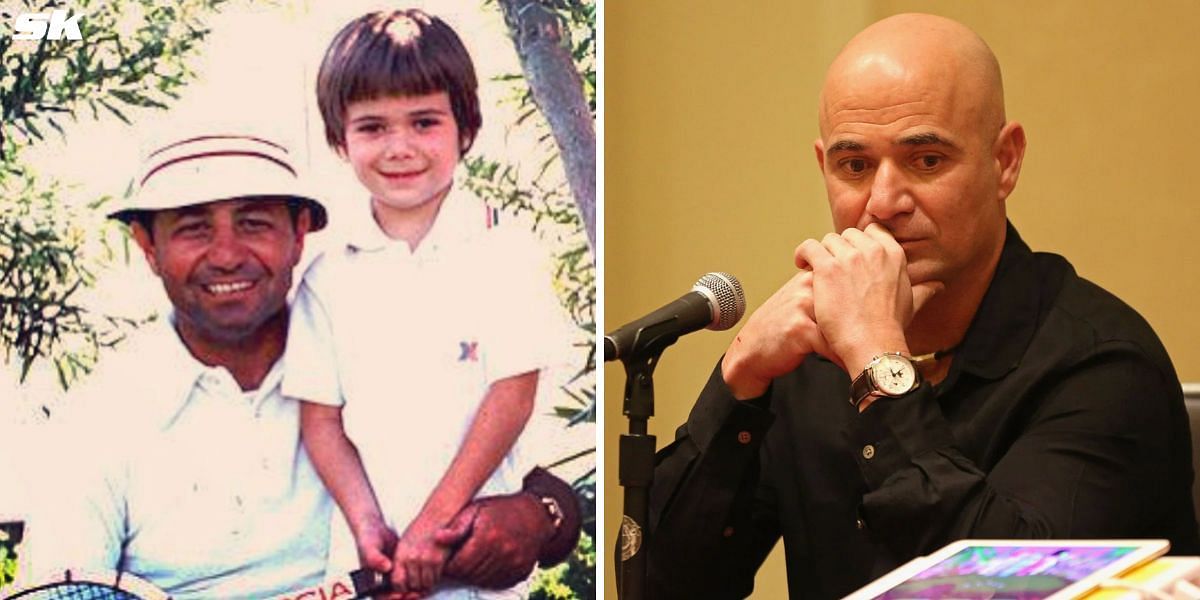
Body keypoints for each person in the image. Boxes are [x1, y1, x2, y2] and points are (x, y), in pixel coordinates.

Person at [643, 13, 1200, 599]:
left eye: (926, 160)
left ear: (1005, 160)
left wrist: (876, 359)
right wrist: (741, 377)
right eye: (854, 166)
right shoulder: (804, 363)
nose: (883, 202)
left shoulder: (1105, 368)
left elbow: (998, 592)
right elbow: (661, 585)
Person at [29, 134, 579, 599]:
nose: (226, 254)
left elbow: (551, 495)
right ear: (147, 246)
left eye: (254, 224)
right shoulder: (96, 419)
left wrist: (534, 517)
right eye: (193, 228)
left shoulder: (374, 343)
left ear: (299, 235)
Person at [282, 8, 576, 599]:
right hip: (373, 574)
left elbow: (511, 396)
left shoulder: (505, 250)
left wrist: (433, 526)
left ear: (465, 128)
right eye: (372, 127)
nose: (400, 147)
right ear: (340, 138)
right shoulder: (327, 274)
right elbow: (322, 420)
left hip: (474, 571)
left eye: (423, 122)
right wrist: (370, 528)